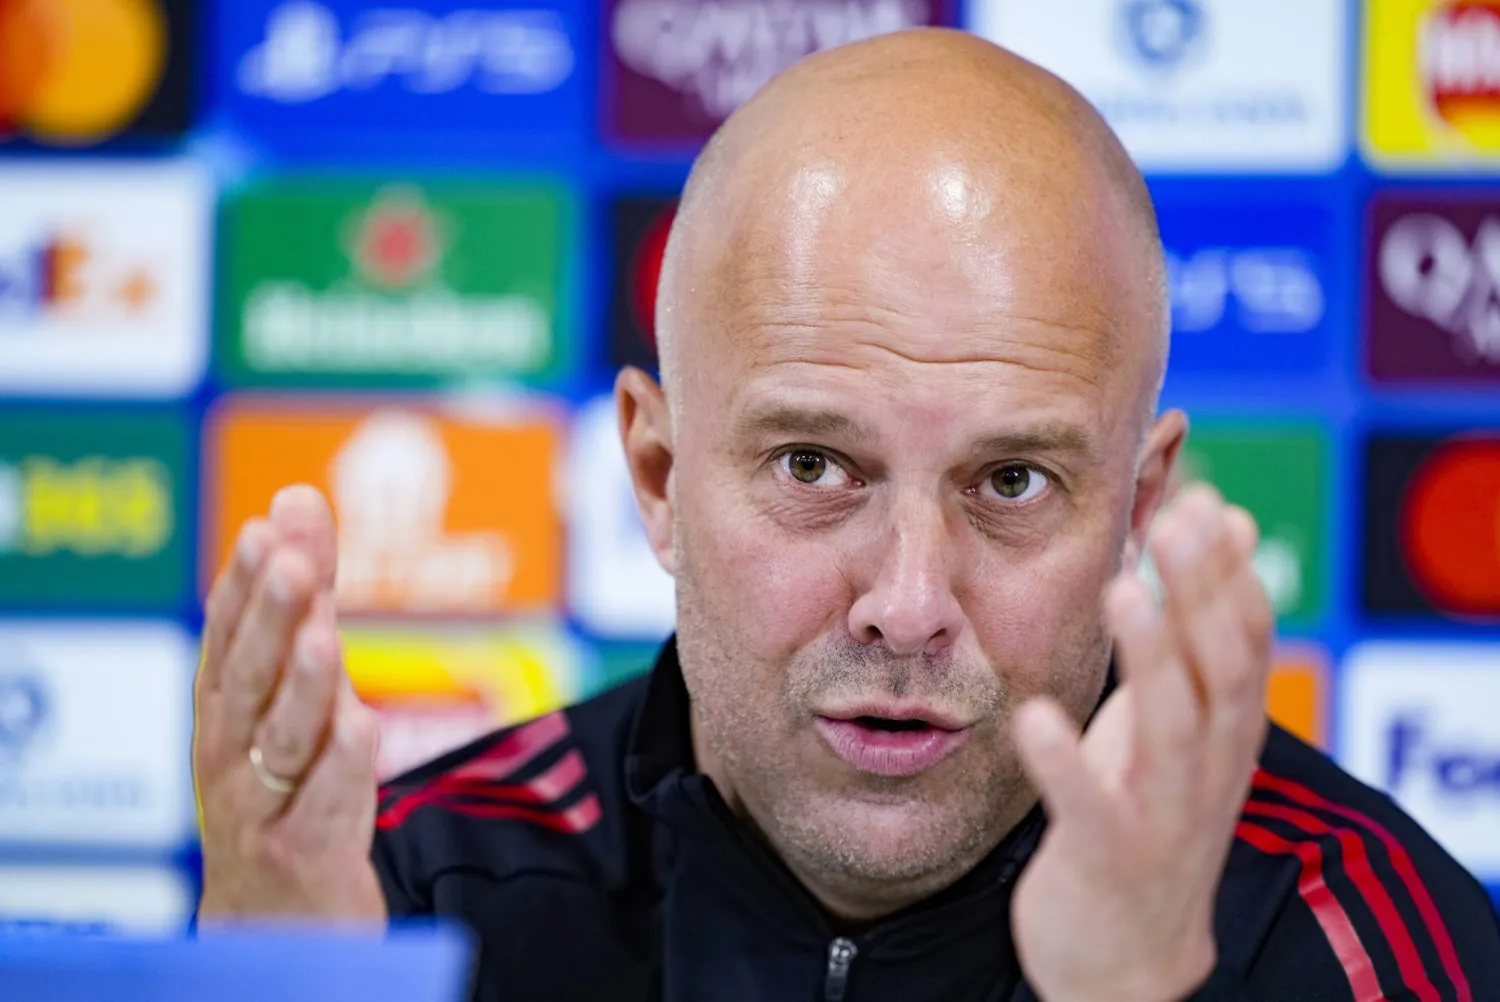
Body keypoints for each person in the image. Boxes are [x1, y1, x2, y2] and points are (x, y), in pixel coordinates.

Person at [192, 28, 1500, 1001]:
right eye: (815, 465)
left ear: (1138, 509)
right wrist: (272, 974)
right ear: (656, 475)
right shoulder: (409, 897)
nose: (910, 604)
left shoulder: (1356, 934)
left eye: (1011, 483)